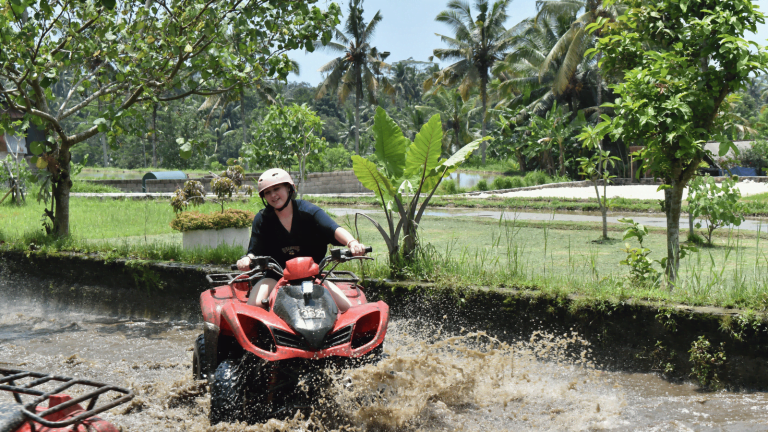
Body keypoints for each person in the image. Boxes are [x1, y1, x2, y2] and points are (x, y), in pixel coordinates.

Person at [236, 168, 367, 312]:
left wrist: (352, 243)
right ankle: (262, 334)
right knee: (254, 306)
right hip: (275, 275)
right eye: (267, 192)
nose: (273, 195)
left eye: (277, 188)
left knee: (346, 308)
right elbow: (254, 250)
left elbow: (333, 228)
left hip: (312, 276)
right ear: (264, 197)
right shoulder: (262, 219)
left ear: (288, 188)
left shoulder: (309, 211)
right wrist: (247, 260)